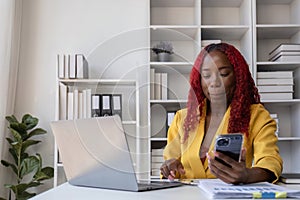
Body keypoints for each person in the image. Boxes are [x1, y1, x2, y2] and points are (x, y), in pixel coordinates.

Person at [160, 43, 283, 184]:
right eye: (206, 75)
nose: (214, 83)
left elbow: (270, 161)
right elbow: (171, 162)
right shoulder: (182, 118)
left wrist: (247, 175)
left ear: (238, 76)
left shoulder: (256, 116)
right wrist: (169, 167)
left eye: (223, 74)